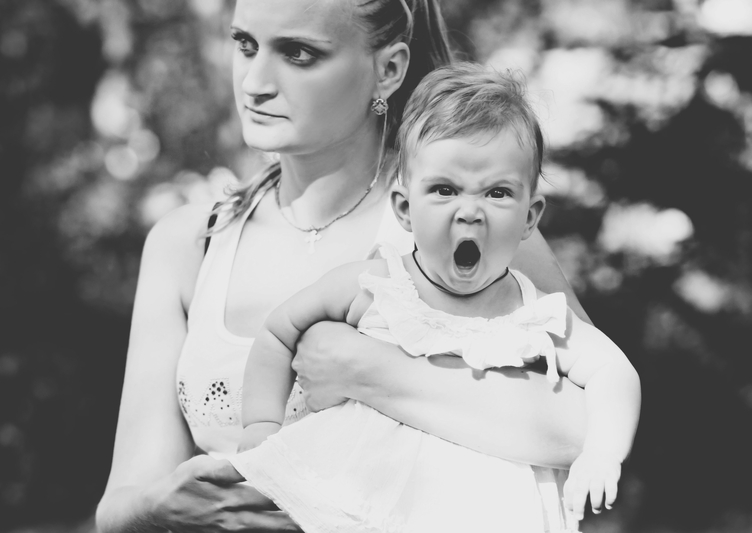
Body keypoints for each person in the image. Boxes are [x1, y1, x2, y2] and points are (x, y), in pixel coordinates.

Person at [96, 1, 593, 532]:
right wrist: (159, 507)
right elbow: (119, 504)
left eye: (298, 53)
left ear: (389, 69)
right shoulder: (189, 243)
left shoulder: (460, 225)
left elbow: (591, 425)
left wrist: (370, 371)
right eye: (245, 45)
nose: (255, 82)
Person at [221, 64, 642, 533]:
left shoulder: (534, 315)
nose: (470, 211)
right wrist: (260, 427)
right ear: (405, 208)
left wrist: (603, 453)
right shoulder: (375, 285)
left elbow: (613, 371)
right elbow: (279, 333)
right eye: (444, 189)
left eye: (498, 192)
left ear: (529, 217)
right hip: (362, 503)